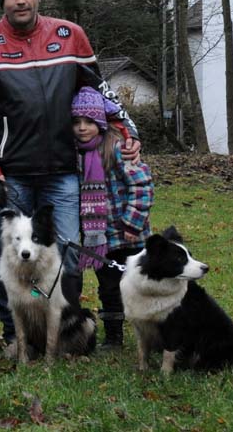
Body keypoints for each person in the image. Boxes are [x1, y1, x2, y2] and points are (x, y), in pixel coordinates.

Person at [0, 0, 141, 354]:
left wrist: (126, 130)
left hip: (64, 170)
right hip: (12, 174)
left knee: (69, 255)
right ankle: (15, 337)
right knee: (14, 258)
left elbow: (100, 92)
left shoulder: (70, 35)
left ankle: (63, 334)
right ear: (2, 0)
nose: (20, 0)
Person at [71, 87, 153, 349]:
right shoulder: (75, 155)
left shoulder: (118, 149)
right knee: (108, 287)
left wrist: (132, 222)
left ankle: (151, 330)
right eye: (77, 122)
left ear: (101, 123)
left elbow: (141, 186)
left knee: (139, 285)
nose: (83, 128)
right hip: (100, 239)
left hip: (129, 235)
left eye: (89, 122)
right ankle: (114, 336)